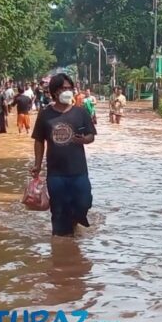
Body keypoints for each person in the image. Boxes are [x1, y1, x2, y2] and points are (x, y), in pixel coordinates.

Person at [31, 73, 97, 237]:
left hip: (79, 170)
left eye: (69, 88)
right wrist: (37, 165)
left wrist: (84, 140)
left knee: (84, 201)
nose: (67, 91)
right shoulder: (45, 114)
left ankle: (75, 219)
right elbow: (39, 140)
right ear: (54, 91)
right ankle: (62, 246)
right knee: (59, 210)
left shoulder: (80, 113)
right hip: (56, 173)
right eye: (63, 88)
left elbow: (91, 135)